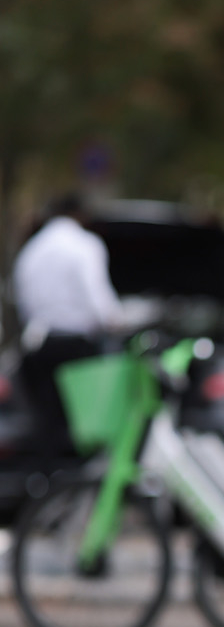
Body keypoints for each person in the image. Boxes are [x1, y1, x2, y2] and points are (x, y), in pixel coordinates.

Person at [12, 191, 125, 468]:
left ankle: (50, 489)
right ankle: (80, 489)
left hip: (39, 346)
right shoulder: (84, 245)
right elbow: (101, 304)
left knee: (48, 426)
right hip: (77, 349)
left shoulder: (32, 248)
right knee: (83, 430)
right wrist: (121, 322)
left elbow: (21, 300)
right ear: (80, 215)